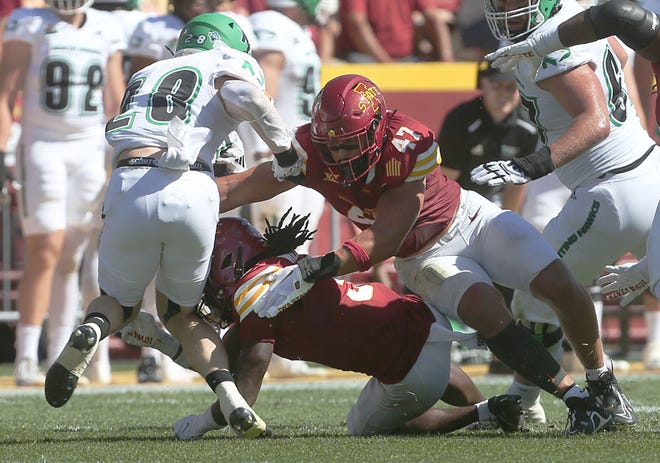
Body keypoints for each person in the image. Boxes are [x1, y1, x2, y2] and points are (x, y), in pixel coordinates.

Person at [216, 73, 623, 435]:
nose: (338, 157)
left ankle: (602, 380)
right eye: (331, 147)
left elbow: (384, 238)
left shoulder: (407, 142)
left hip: (469, 218)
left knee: (558, 282)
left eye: (349, 145)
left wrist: (318, 267)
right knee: (487, 312)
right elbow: (239, 189)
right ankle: (577, 400)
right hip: (425, 258)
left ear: (377, 129)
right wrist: (180, 199)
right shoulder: (308, 151)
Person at [43, 13, 295, 439]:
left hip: (129, 181)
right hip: (191, 187)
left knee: (118, 304)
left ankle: (92, 329)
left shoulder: (147, 74)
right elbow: (242, 98)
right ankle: (231, 399)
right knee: (182, 313)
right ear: (228, 44)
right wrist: (286, 153)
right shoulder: (225, 63)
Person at [121, 214, 525, 439]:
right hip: (421, 320)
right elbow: (222, 361)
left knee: (364, 426)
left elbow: (247, 381)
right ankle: (500, 407)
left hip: (410, 369)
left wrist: (207, 422)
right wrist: (165, 342)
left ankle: (482, 413)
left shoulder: (255, 294)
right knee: (424, 360)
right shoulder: (279, 268)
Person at [470, 0, 660, 427]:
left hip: (612, 188)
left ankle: (601, 389)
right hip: (647, 169)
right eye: (500, 2)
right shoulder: (578, 13)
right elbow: (621, 50)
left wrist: (529, 166)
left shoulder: (554, 41)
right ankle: (523, 399)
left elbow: (596, 121)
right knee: (537, 294)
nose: (505, 10)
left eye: (515, 2)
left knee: (537, 290)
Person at [0, 0, 125, 387]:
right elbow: (6, 94)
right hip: (42, 145)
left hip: (90, 148)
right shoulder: (28, 22)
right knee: (46, 247)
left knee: (72, 254)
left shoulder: (106, 26)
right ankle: (25, 356)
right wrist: (4, 150)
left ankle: (58, 355)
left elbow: (115, 96)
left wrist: (123, 152)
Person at [245, 0, 331, 378]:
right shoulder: (271, 23)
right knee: (275, 253)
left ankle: (285, 345)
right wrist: (269, 148)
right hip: (282, 152)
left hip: (303, 151)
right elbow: (264, 89)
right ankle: (259, 345)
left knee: (298, 252)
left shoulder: (299, 31)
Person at [336, 0, 454, 63]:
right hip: (365, 60)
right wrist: (386, 62)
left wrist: (446, 58)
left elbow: (433, 19)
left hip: (407, 59)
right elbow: (356, 23)